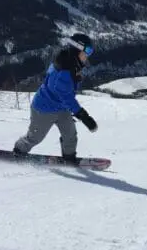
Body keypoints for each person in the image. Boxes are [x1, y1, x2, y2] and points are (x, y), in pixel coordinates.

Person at [13, 33, 98, 164]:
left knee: (70, 134)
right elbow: (66, 96)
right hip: (44, 109)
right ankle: (18, 151)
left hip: (61, 108)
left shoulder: (71, 63)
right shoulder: (63, 70)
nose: (88, 55)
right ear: (77, 49)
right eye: (87, 51)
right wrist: (83, 116)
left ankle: (69, 157)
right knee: (35, 137)